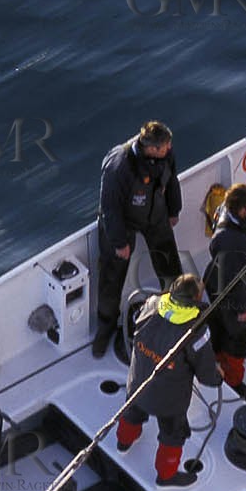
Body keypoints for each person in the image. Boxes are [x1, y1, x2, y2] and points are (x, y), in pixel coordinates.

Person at [116, 274, 221, 487]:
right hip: (169, 401)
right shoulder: (196, 330)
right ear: (196, 297)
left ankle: (123, 442)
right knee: (173, 434)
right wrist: (218, 377)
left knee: (131, 411)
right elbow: (206, 374)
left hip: (138, 383)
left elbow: (136, 325)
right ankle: (166, 475)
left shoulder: (152, 304)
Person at [94, 121, 184, 358]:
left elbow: (172, 179)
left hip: (155, 215)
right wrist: (118, 242)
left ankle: (177, 312)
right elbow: (109, 208)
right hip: (122, 223)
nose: (169, 148)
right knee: (112, 277)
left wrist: (174, 210)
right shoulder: (119, 166)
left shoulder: (167, 154)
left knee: (170, 266)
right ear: (151, 148)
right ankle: (105, 327)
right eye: (165, 146)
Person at [201, 183, 246, 389]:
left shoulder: (226, 214)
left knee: (216, 324)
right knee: (240, 334)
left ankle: (215, 360)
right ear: (242, 210)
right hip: (229, 293)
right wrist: (242, 308)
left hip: (214, 282)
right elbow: (240, 279)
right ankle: (231, 379)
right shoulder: (237, 244)